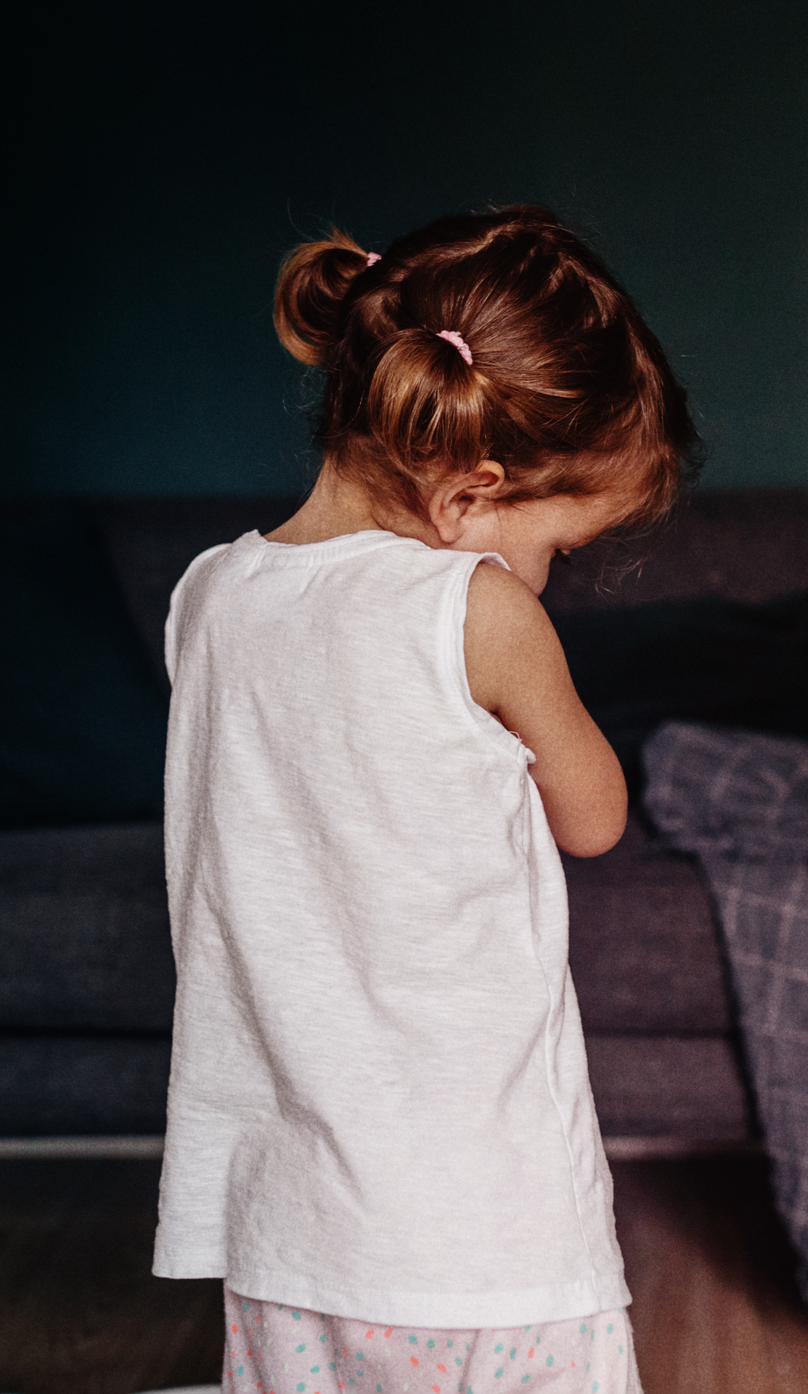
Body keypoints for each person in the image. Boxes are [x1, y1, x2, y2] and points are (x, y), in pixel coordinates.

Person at [154, 205, 699, 1394]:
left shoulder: (208, 599)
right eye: (560, 540)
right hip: (487, 1241)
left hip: (285, 1234)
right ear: (472, 493)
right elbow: (595, 815)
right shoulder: (478, 610)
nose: (551, 572)